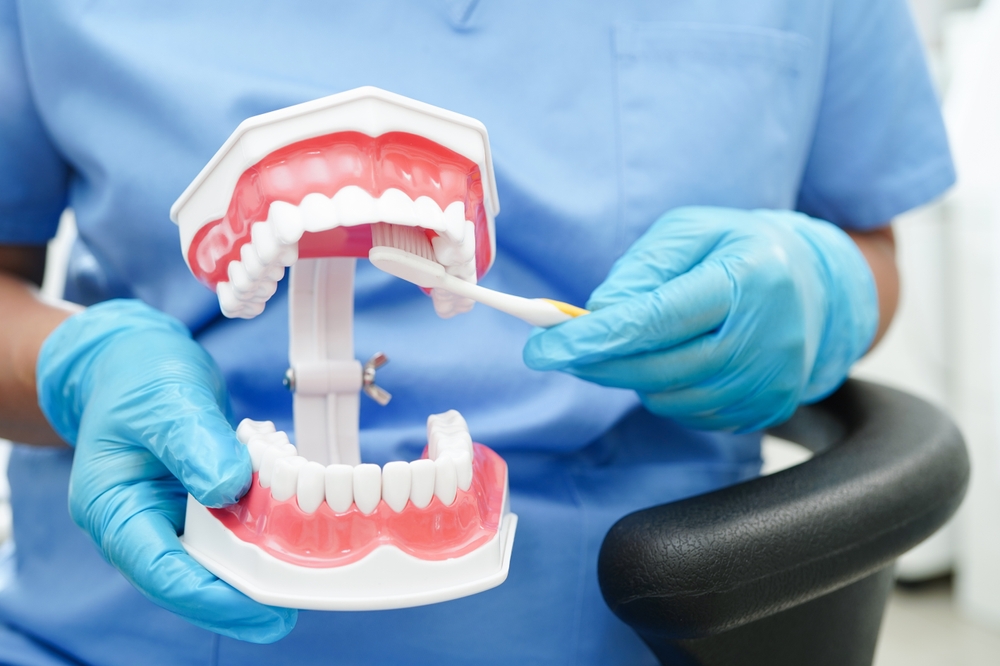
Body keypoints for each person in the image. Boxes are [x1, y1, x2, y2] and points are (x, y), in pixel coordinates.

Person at [0, 1, 952, 664]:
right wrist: (74, 369)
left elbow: (870, 238)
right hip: (125, 634)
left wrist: (819, 292)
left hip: (620, 626)